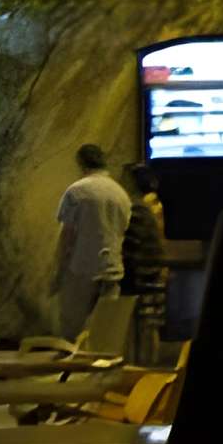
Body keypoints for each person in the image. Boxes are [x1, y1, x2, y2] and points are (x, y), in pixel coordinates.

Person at [53, 143, 133, 341]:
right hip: (113, 269)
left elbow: (68, 235)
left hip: (82, 269)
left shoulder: (76, 191)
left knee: (72, 330)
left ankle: (72, 370)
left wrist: (59, 268)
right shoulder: (120, 193)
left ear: (80, 163)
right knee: (105, 334)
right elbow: (123, 229)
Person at [120, 160, 171, 362]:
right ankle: (149, 367)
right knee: (151, 323)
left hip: (144, 272)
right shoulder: (156, 203)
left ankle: (144, 371)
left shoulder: (139, 208)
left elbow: (132, 244)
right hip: (156, 268)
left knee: (144, 325)